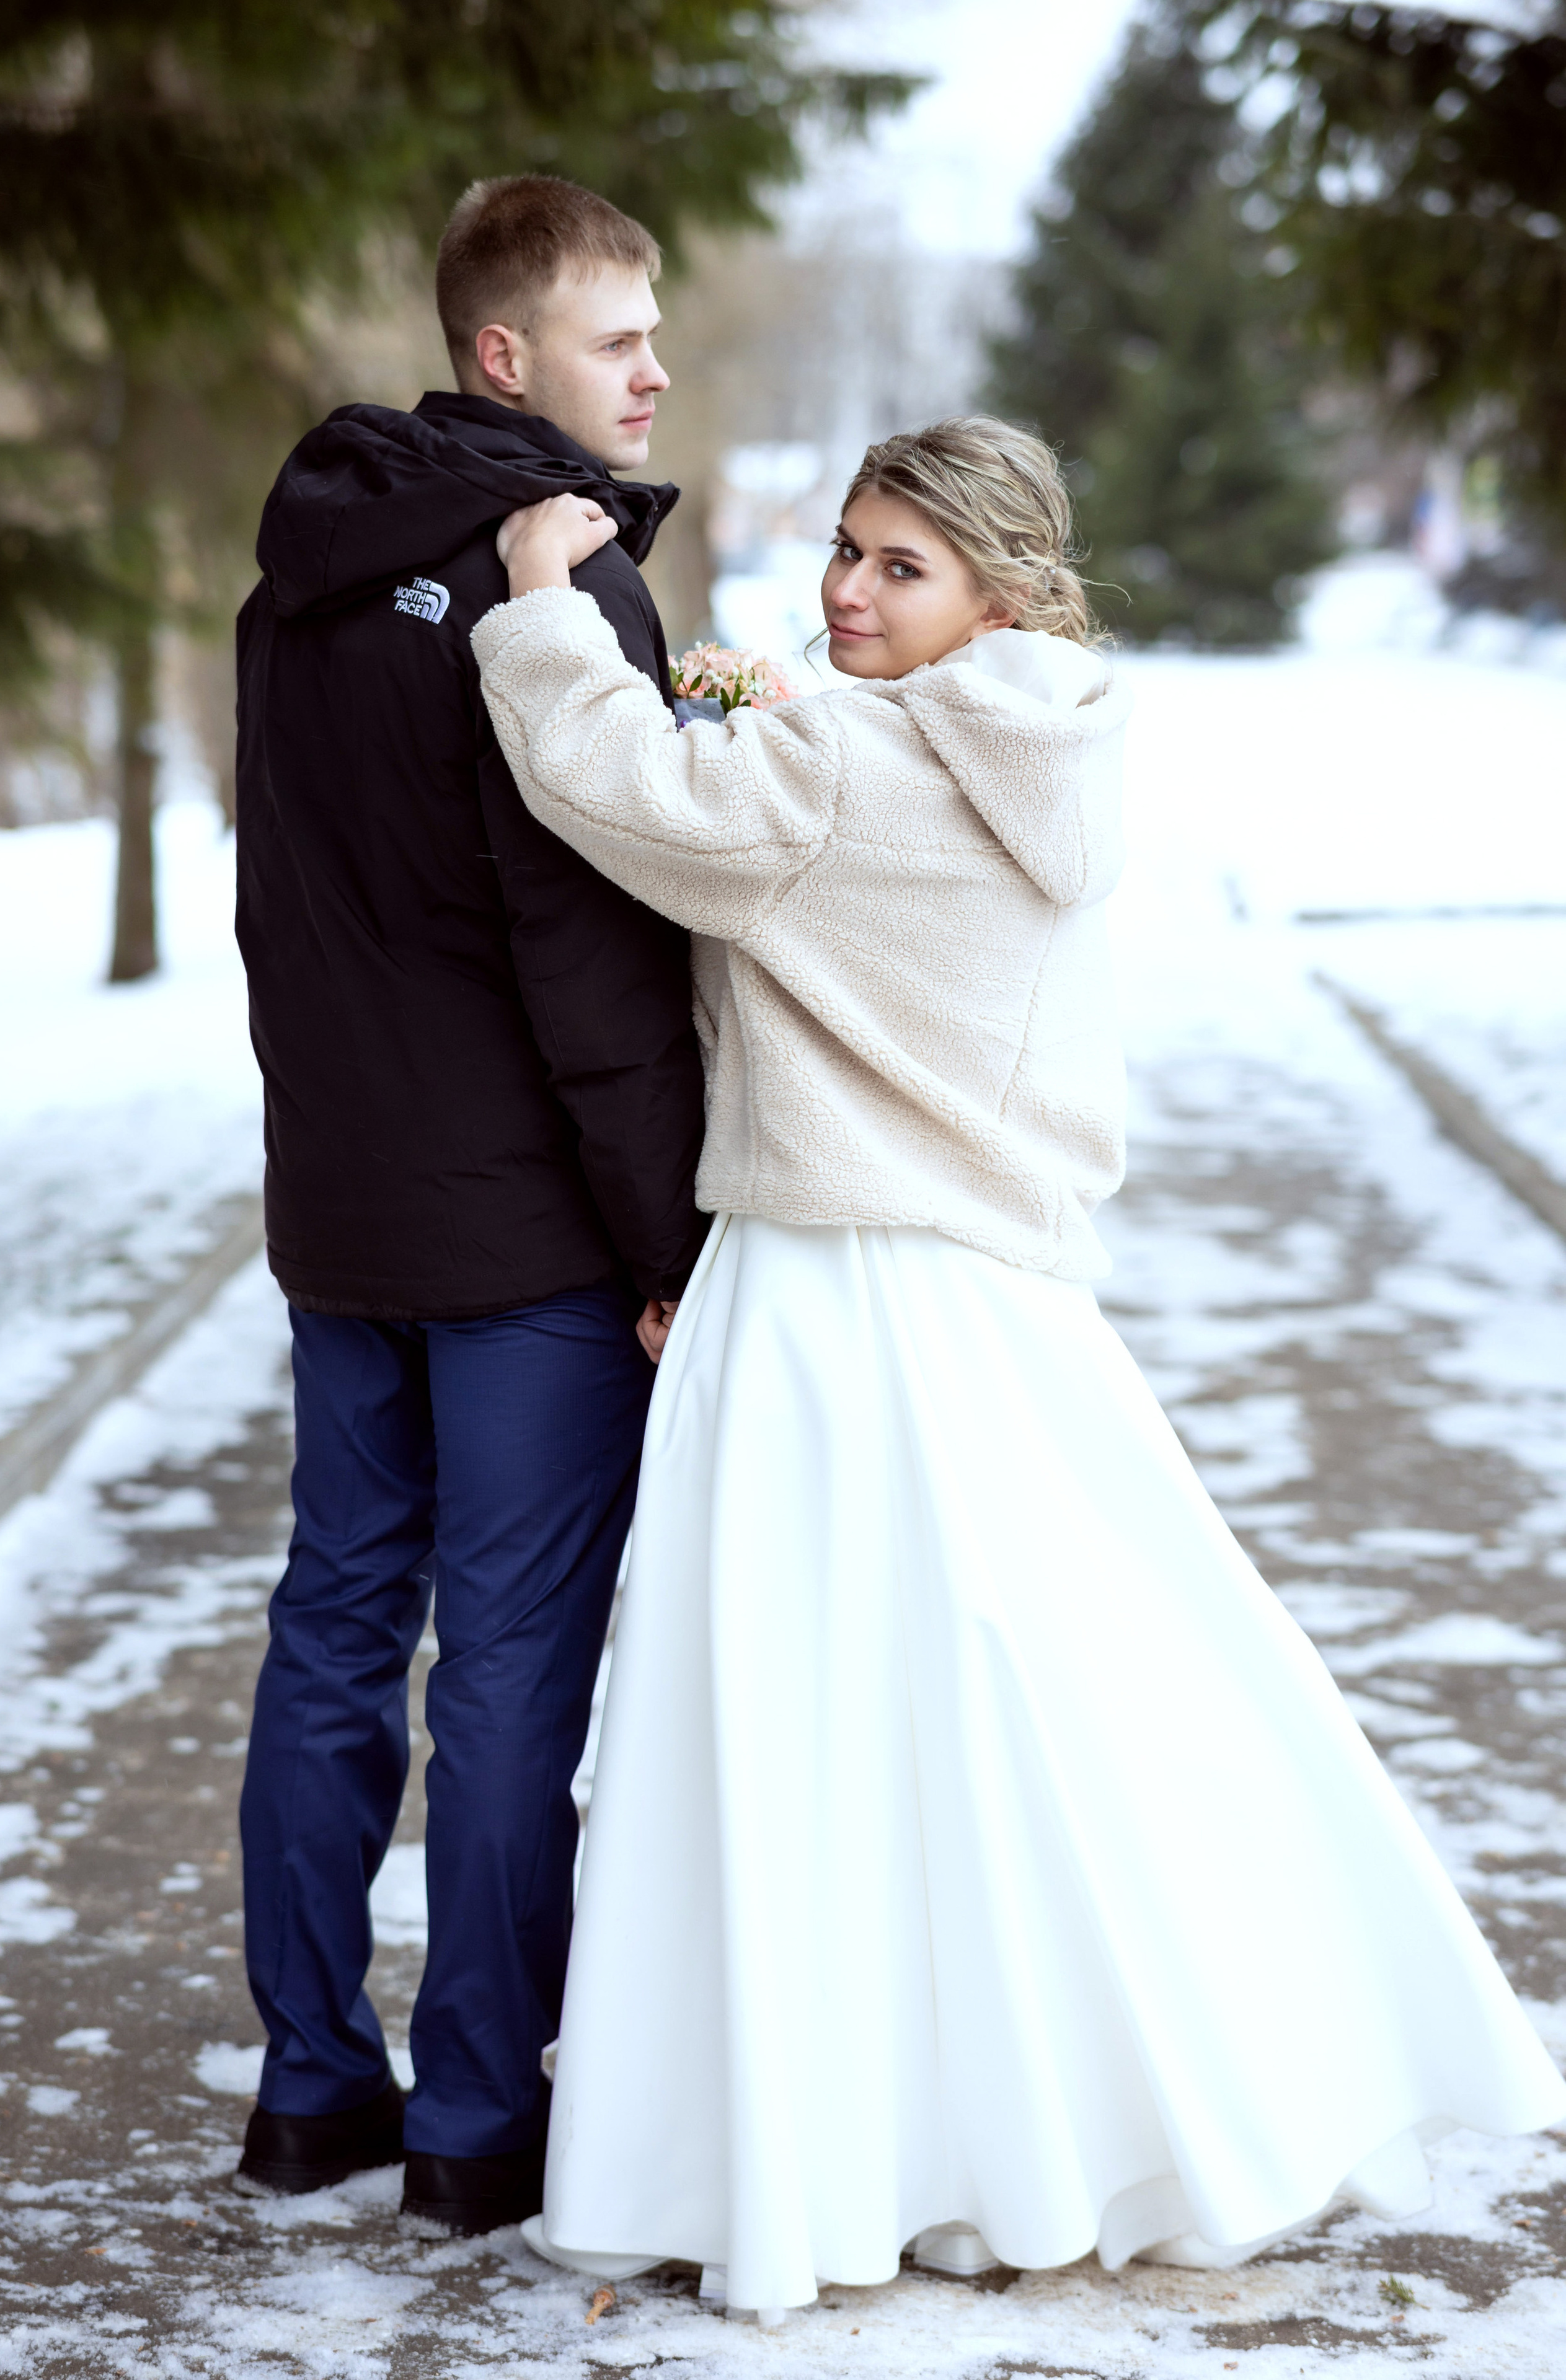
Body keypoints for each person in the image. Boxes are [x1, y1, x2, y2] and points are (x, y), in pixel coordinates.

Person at [466, 416, 1566, 2317]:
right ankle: (1066, 2111)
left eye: (902, 566)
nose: (846, 591)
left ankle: (847, 2142)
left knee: (816, 1740)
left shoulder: (839, 762)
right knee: (1018, 1727)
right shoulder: (1055, 740)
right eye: (846, 549)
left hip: (833, 1289)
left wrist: (545, 605)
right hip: (1000, 1305)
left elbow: (613, 785)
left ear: (1000, 589)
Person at [231, 175, 707, 2237]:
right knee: (508, 1663)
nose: (658, 373)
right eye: (623, 340)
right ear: (506, 358)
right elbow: (586, 959)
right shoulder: (558, 579)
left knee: (336, 1629)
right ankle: (474, 2122)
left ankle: (312, 2086)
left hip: (344, 1211)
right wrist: (669, 1242)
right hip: (518, 1232)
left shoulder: (303, 572)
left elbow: (290, 908)